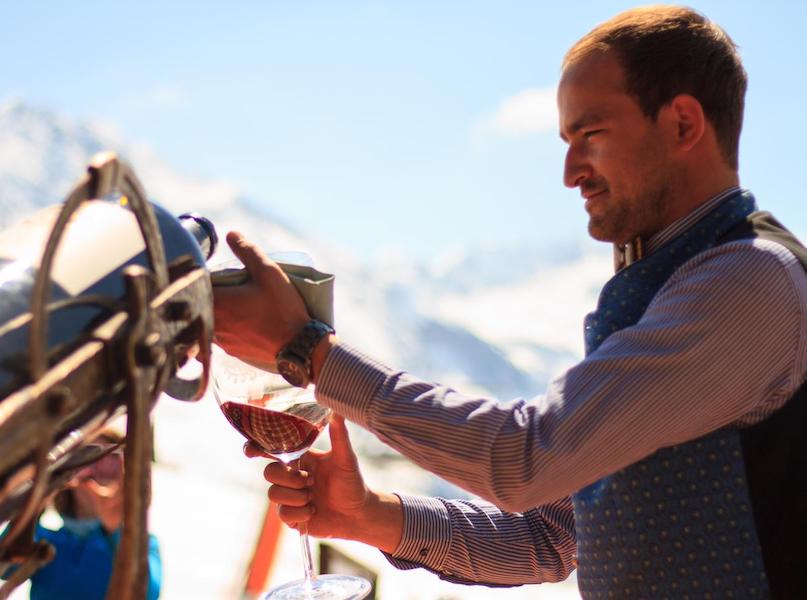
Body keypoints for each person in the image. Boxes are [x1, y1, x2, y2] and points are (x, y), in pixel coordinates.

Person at [212, 5, 807, 598]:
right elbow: (549, 538)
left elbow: (527, 460)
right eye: (567, 140)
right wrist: (368, 514)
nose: (571, 172)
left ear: (682, 124)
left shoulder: (748, 282)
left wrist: (310, 354)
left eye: (591, 134)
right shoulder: (665, 289)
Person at [6, 427, 162, 600]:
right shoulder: (46, 541)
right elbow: (2, 569)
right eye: (88, 455)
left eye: (112, 456)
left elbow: (147, 593)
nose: (99, 467)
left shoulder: (142, 544)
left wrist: (116, 532)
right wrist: (36, 503)